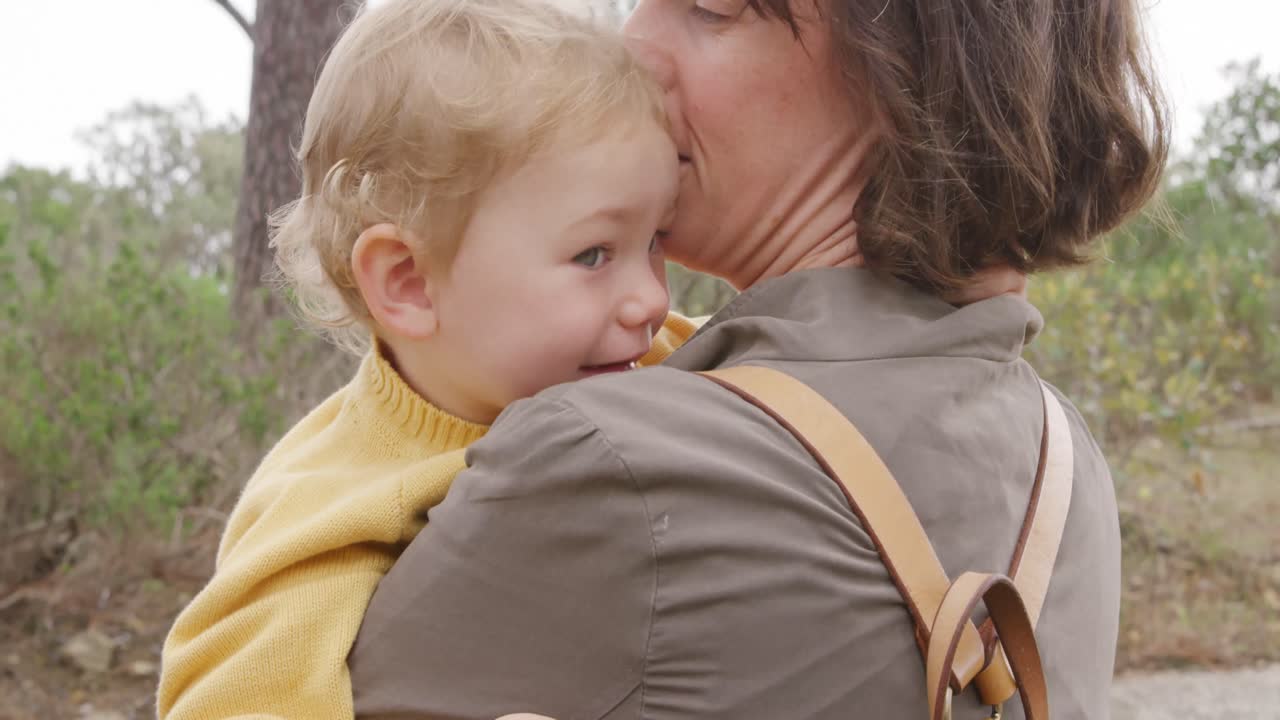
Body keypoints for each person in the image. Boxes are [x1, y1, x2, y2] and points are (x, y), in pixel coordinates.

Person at [347, 0, 1168, 717]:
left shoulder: (610, 460)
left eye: (713, 7)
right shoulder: (1065, 455)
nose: (631, 44)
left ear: (915, 68)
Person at [154, 0, 696, 717]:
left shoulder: (658, 354)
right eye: (593, 253)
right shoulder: (330, 503)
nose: (648, 301)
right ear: (408, 283)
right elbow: (228, 701)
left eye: (654, 240)